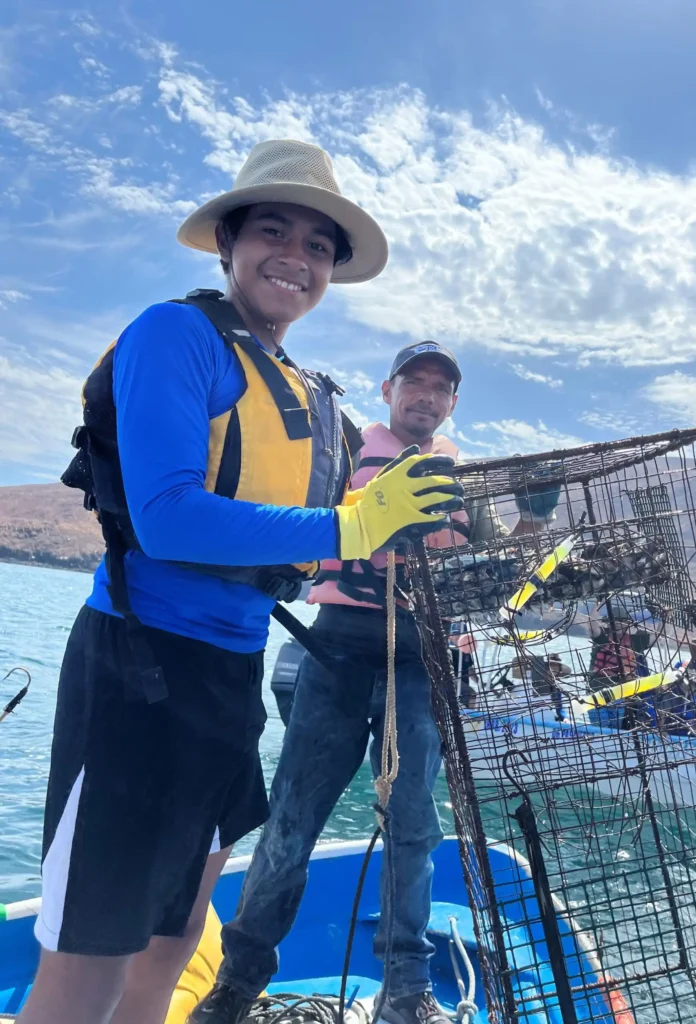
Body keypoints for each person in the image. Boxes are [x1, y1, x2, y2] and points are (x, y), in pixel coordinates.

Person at [18, 140, 464, 1024]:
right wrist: (354, 525)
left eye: (319, 245)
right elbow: (168, 515)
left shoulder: (305, 389)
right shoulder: (176, 335)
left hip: (230, 680)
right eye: (272, 230)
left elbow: (290, 552)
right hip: (138, 673)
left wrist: (386, 536)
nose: (295, 257)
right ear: (227, 242)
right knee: (87, 961)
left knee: (174, 935)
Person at [191, 343, 560, 1024]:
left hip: (424, 662)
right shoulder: (346, 455)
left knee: (414, 826)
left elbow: (504, 568)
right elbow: (298, 523)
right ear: (387, 390)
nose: (424, 395)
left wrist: (535, 516)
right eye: (413, 383)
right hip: (335, 651)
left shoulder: (461, 479)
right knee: (291, 823)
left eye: (439, 388)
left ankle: (405, 989)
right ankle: (237, 986)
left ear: (452, 404)